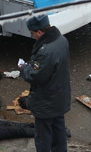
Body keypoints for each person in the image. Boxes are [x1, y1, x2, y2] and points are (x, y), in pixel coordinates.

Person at [19, 14, 71, 152]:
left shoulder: (45, 51)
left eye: (33, 33)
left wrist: (24, 68)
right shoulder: (62, 40)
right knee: (59, 131)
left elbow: (35, 76)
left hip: (46, 102)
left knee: (43, 137)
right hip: (59, 97)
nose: (33, 36)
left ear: (40, 32)